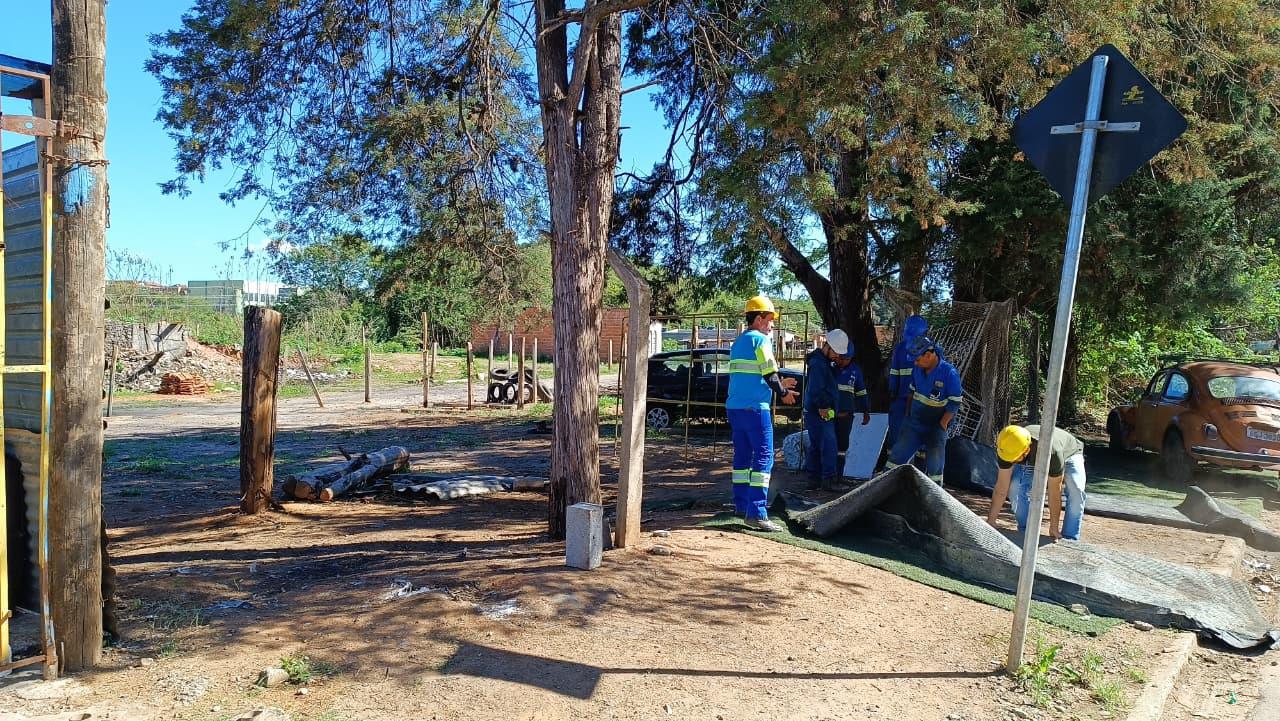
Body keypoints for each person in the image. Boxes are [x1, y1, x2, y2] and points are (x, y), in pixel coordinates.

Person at [726, 295, 799, 530]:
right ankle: (757, 513)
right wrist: (783, 393)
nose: (772, 325)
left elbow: (754, 375)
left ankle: (741, 505)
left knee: (742, 457)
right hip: (755, 410)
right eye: (770, 319)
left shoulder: (739, 342)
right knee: (764, 457)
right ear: (759, 319)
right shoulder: (761, 340)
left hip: (735, 408)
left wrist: (780, 383)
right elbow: (769, 373)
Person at [883, 335, 963, 485]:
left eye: (917, 359)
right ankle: (881, 488)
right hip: (915, 423)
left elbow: (954, 402)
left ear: (928, 355)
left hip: (936, 426)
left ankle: (935, 498)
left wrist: (942, 425)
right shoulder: (917, 369)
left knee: (935, 466)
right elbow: (911, 392)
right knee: (896, 457)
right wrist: (908, 415)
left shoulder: (949, 373)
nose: (915, 362)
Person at [988, 424, 1087, 541]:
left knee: (1076, 490)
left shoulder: (1052, 452)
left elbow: (1054, 491)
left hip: (1069, 452)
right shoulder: (1006, 448)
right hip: (1034, 454)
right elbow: (1001, 487)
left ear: (1026, 450)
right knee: (1016, 487)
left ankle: (1070, 538)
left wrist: (1053, 527)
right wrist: (991, 521)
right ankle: (1025, 532)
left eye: (1015, 458)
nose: (1012, 461)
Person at [802, 329, 850, 490]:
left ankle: (813, 480)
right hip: (819, 412)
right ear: (827, 346)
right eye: (836, 352)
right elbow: (817, 389)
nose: (838, 356)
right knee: (830, 446)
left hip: (814, 411)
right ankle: (829, 480)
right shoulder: (818, 364)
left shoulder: (822, 362)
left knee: (816, 446)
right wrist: (823, 406)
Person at [887, 315, 929, 449]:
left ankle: (898, 465)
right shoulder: (933, 350)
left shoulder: (900, 349)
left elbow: (894, 375)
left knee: (900, 433)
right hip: (915, 401)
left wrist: (892, 392)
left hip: (910, 400)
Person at [835, 344, 871, 461]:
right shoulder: (829, 367)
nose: (844, 362)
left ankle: (839, 474)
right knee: (828, 445)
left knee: (842, 447)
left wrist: (865, 410)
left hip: (846, 416)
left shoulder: (855, 370)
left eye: (847, 359)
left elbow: (861, 392)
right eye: (841, 358)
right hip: (828, 415)